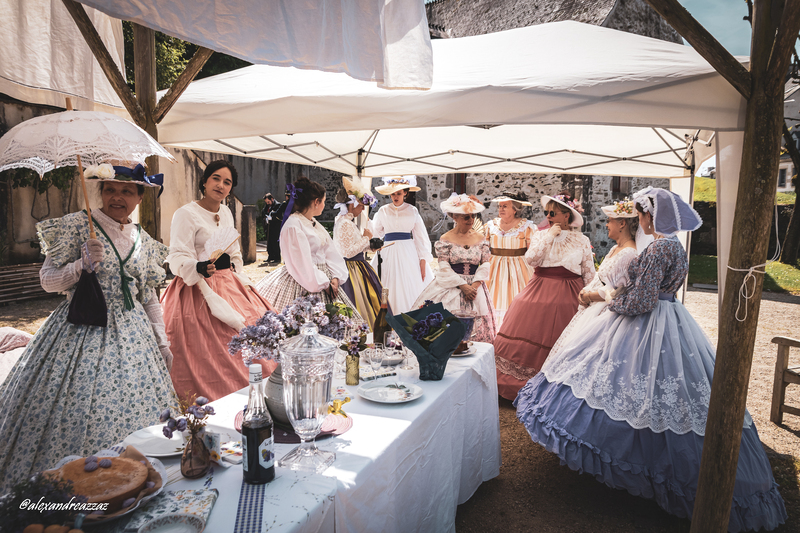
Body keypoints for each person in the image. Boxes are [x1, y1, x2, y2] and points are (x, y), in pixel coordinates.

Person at [515, 187, 787, 531]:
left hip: (649, 322)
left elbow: (641, 301)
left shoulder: (658, 247)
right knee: (669, 392)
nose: (639, 219)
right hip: (673, 317)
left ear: (649, 216)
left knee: (637, 390)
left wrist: (606, 301)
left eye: (642, 213)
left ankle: (648, 469)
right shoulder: (676, 245)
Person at [0, 164, 176, 492]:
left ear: (139, 197)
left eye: (126, 191)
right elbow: (48, 280)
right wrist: (80, 265)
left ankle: (132, 479)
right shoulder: (78, 225)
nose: (117, 197)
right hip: (80, 330)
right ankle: (76, 487)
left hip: (133, 338)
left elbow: (148, 294)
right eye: (110, 189)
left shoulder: (144, 240)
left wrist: (162, 341)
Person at [162, 160, 276, 401]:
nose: (221, 185)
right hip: (197, 288)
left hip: (229, 283)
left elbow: (232, 249)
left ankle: (262, 393)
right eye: (216, 178)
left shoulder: (225, 211)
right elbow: (176, 256)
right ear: (204, 181)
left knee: (253, 332)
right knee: (209, 349)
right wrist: (198, 267)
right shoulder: (186, 214)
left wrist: (237, 272)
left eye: (227, 182)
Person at [494, 191, 594, 401]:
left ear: (566, 215)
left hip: (569, 296)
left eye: (553, 213)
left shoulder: (582, 240)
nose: (548, 216)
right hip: (538, 290)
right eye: (547, 212)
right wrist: (549, 236)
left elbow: (588, 273)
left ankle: (558, 390)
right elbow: (531, 259)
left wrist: (590, 299)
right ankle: (514, 385)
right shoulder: (540, 235)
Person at [256, 177, 365, 321]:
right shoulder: (294, 225)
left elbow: (330, 252)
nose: (324, 205)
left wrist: (335, 277)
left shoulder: (313, 222)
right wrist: (324, 283)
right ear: (316, 202)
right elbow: (300, 262)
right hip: (302, 279)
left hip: (324, 278)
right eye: (324, 201)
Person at [548, 198, 640, 358]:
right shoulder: (614, 248)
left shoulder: (630, 253)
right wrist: (586, 290)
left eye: (610, 221)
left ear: (622, 224)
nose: (606, 224)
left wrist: (590, 296)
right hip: (594, 307)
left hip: (607, 312)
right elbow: (601, 277)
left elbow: (618, 290)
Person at [413, 194, 497, 342]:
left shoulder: (481, 239)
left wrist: (474, 287)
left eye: (472, 216)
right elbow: (444, 265)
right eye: (466, 217)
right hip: (451, 285)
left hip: (475, 288)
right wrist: (463, 286)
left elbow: (485, 264)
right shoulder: (445, 239)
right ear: (455, 217)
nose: (471, 220)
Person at [370, 176, 433, 313]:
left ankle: (408, 315)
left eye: (399, 193)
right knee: (389, 282)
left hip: (407, 251)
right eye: (393, 194)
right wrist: (375, 242)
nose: (395, 196)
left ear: (405, 193)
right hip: (388, 251)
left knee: (407, 283)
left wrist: (423, 259)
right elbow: (376, 231)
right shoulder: (383, 211)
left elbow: (420, 236)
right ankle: (387, 315)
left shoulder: (412, 210)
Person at [332, 176, 385, 328]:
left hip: (358, 266)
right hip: (352, 270)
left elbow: (354, 246)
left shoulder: (345, 221)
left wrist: (370, 246)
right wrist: (366, 238)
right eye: (361, 205)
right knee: (359, 302)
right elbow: (348, 252)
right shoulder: (345, 223)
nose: (362, 209)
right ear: (352, 205)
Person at [484, 192, 537, 327]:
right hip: (495, 268)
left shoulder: (527, 226)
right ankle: (496, 329)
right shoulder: (490, 226)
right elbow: (483, 248)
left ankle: (516, 329)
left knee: (517, 299)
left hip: (519, 268)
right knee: (494, 299)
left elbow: (534, 251)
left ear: (515, 209)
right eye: (500, 206)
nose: (501, 209)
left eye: (505, 206)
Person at [265, 192, 286, 264]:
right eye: (266, 202)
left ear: (272, 199)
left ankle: (277, 257)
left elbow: (279, 216)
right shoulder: (267, 206)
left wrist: (272, 218)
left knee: (275, 242)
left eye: (268, 201)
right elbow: (265, 212)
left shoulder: (278, 205)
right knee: (270, 242)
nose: (267, 203)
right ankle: (270, 256)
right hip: (270, 226)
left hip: (276, 226)